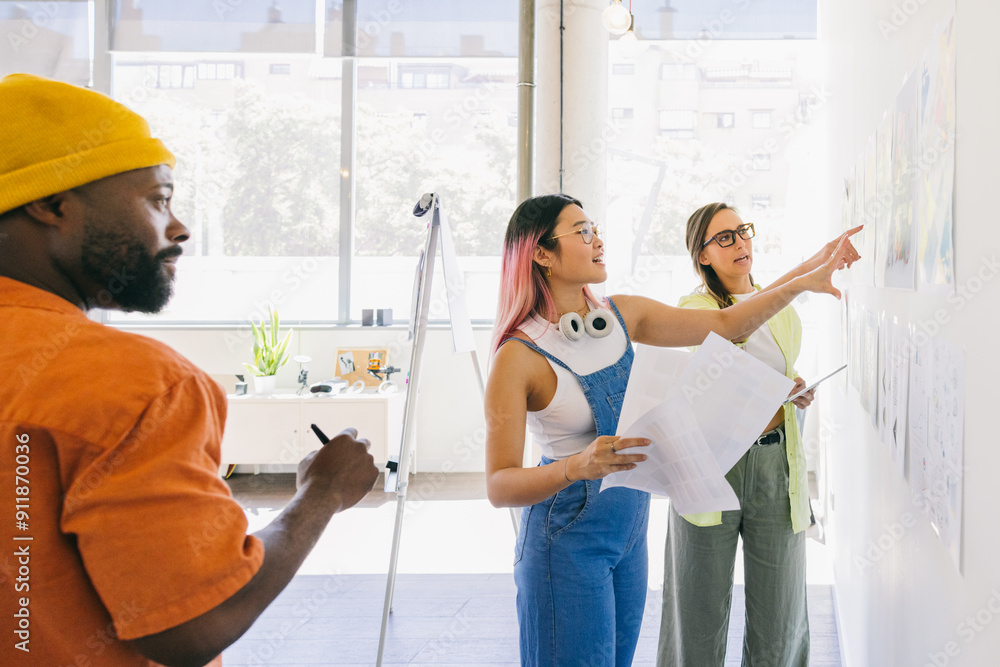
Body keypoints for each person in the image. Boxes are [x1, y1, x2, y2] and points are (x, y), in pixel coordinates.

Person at [0, 73, 379, 666]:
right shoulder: (130, 382)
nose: (178, 227)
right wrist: (322, 494)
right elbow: (192, 624)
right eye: (158, 199)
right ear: (51, 204)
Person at [484, 194, 857, 667]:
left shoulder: (622, 315)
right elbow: (499, 486)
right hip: (565, 536)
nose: (597, 240)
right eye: (582, 232)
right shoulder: (517, 357)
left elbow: (727, 322)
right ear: (541, 253)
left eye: (595, 228)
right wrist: (577, 466)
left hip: (630, 527)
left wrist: (807, 276)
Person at [656, 203, 861, 667]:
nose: (740, 243)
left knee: (780, 611)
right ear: (702, 255)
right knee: (697, 606)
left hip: (774, 461)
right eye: (724, 238)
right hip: (712, 464)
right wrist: (806, 273)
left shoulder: (779, 308)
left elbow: (775, 366)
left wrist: (793, 388)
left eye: (742, 231)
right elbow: (728, 345)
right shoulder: (695, 308)